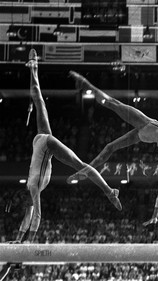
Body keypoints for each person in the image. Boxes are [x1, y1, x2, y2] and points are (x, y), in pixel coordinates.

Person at [10, 49, 121, 244]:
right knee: (39, 102)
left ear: (25, 198)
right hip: (41, 144)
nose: (28, 206)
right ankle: (34, 67)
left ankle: (108, 191)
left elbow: (37, 216)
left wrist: (28, 241)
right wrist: (19, 240)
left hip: (46, 145)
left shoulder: (33, 189)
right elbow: (28, 217)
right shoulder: (30, 190)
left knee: (81, 165)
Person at [67, 71, 158, 228]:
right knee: (114, 104)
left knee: (109, 147)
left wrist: (155, 217)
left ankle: (85, 171)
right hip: (150, 126)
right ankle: (86, 83)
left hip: (153, 136)